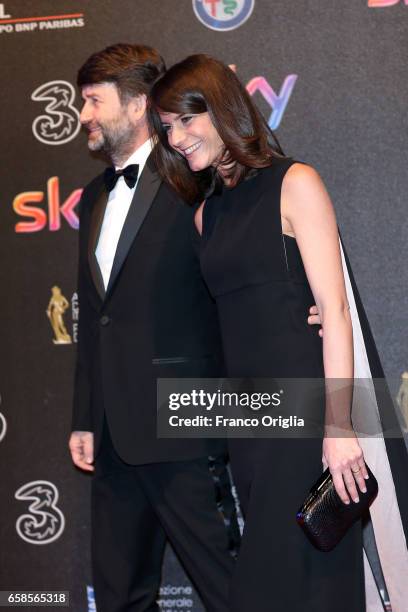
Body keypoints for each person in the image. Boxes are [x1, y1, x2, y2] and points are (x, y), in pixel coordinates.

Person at [148, 54, 408, 612]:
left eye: (185, 121)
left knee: (312, 577)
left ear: (220, 107)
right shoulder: (203, 216)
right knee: (274, 580)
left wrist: (339, 427)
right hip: (252, 423)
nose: (177, 138)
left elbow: (334, 312)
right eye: (167, 128)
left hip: (309, 417)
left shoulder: (296, 182)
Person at [68, 44, 240, 612]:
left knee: (227, 585)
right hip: (114, 433)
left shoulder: (194, 182)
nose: (83, 115)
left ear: (138, 104)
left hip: (186, 425)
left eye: (94, 101)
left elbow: (235, 287)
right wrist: (85, 417)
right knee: (118, 595)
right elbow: (95, 317)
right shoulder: (92, 197)